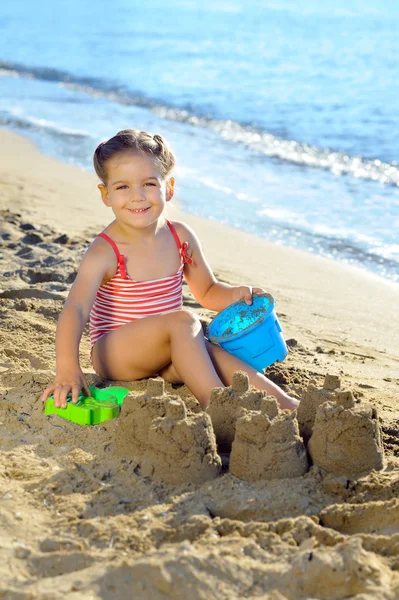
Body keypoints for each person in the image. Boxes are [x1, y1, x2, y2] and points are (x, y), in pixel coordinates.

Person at [41, 129, 298, 412]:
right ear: (106, 194)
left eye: (149, 184)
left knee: (210, 349)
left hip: (166, 353)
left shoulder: (180, 237)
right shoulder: (105, 251)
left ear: (169, 187)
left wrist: (237, 294)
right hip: (115, 354)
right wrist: (67, 368)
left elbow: (208, 292)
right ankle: (218, 406)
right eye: (122, 187)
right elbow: (75, 309)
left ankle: (287, 405)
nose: (137, 196)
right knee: (187, 323)